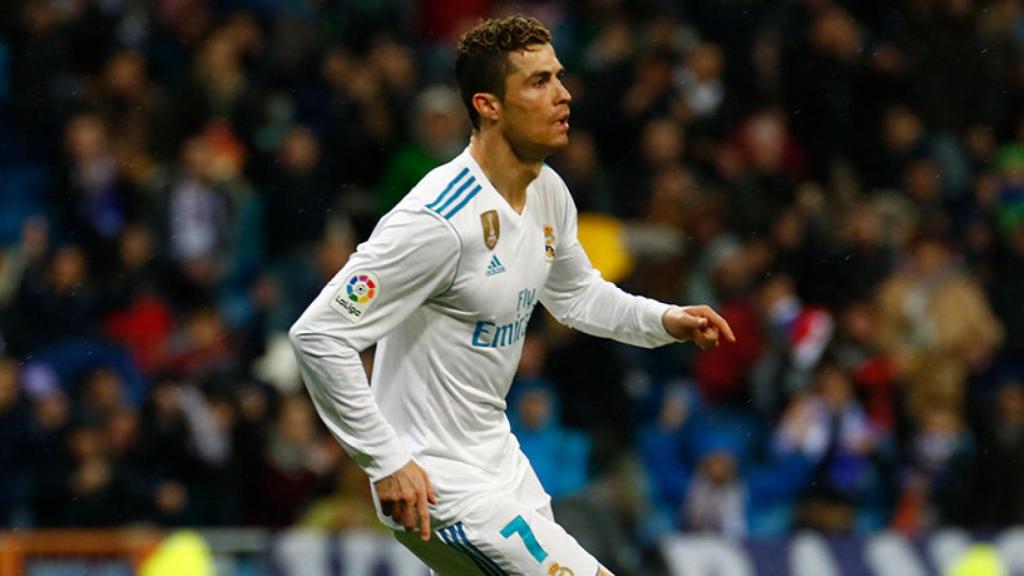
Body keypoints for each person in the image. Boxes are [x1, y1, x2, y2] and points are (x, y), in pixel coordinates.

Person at [289, 15, 735, 575]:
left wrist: (666, 318)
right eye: (539, 82)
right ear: (488, 105)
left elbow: (577, 297)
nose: (563, 94)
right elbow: (318, 334)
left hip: (502, 465)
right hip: (438, 482)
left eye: (559, 77)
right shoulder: (437, 220)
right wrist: (384, 460)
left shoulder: (548, 191)